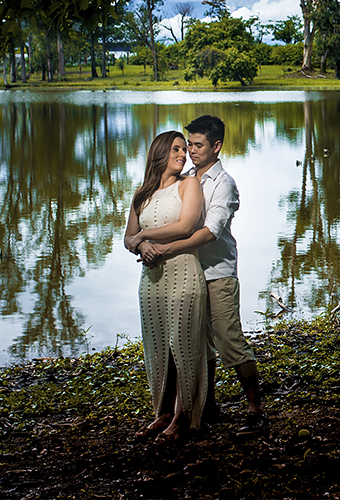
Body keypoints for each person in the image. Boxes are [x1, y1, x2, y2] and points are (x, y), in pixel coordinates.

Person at [138, 115, 268, 436]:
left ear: (216, 146)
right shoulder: (185, 178)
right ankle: (207, 407)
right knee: (195, 344)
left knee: (228, 341)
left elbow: (210, 232)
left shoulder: (224, 184)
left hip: (217, 273)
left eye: (197, 145)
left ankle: (256, 411)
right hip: (186, 275)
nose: (190, 151)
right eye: (189, 144)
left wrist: (165, 247)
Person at [124, 131, 209, 444]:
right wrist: (140, 244)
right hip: (151, 281)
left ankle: (185, 415)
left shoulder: (189, 185)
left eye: (184, 150)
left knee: (185, 347)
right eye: (176, 149)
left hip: (185, 274)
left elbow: (187, 226)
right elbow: (128, 237)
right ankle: (162, 412)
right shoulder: (141, 195)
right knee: (157, 349)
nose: (183, 155)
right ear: (159, 152)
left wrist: (144, 237)